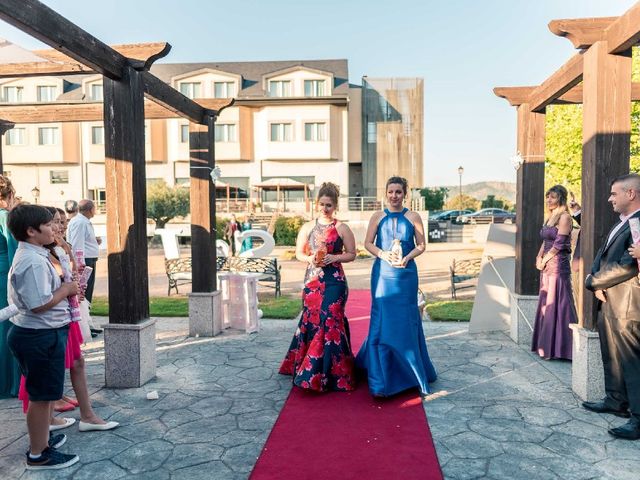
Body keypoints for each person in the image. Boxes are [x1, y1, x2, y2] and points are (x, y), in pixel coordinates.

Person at [6, 204, 80, 469]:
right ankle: (38, 453)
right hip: (38, 335)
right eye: (48, 225)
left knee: (47, 392)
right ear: (30, 231)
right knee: (40, 396)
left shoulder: (39, 254)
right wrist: (67, 289)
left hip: (44, 333)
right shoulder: (33, 261)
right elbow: (39, 303)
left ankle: (43, 439)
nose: (54, 229)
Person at [356, 176, 437, 397]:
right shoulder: (377, 216)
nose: (394, 196)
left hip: (406, 274)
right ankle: (381, 377)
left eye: (398, 192)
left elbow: (422, 245)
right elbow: (367, 243)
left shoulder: (413, 216)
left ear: (405, 194)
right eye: (391, 192)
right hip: (383, 274)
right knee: (382, 319)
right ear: (385, 193)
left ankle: (410, 372)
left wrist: (407, 257)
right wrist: (382, 254)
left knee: (406, 320)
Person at [279, 182, 357, 392]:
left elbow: (352, 254)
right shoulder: (307, 227)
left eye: (329, 205)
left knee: (331, 319)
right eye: (322, 204)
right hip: (312, 281)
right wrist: (310, 258)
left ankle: (335, 375)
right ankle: (309, 371)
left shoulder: (342, 227)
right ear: (316, 204)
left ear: (335, 206)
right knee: (311, 319)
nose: (325, 208)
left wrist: (335, 257)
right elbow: (298, 253)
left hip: (335, 281)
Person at [584, 173, 640, 440]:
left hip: (629, 303)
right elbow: (603, 255)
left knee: (631, 361)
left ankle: (638, 418)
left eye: (614, 194)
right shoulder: (622, 222)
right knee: (612, 354)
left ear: (631, 194)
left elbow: (629, 265)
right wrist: (595, 282)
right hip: (609, 298)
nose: (609, 199)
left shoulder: (639, 223)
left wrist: (593, 281)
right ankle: (615, 400)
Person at [531, 185, 577, 360]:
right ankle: (546, 346)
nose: (549, 200)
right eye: (547, 197)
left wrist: (545, 259)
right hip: (547, 265)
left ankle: (564, 349)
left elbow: (559, 244)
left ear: (561, 199)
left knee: (560, 303)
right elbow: (546, 240)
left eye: (553, 197)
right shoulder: (550, 217)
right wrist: (538, 256)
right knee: (547, 302)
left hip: (558, 265)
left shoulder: (565, 217)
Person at [67, 200, 101, 336]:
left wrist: (94, 241)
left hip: (89, 259)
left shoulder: (83, 221)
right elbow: (76, 244)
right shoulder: (80, 222)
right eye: (94, 208)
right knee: (83, 293)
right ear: (90, 209)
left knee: (88, 292)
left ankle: (88, 323)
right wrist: (79, 263)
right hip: (84, 261)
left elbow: (83, 241)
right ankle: (84, 326)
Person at [0, 175, 20, 398]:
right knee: (8, 324)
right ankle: (9, 384)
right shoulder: (5, 217)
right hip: (5, 273)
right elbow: (14, 250)